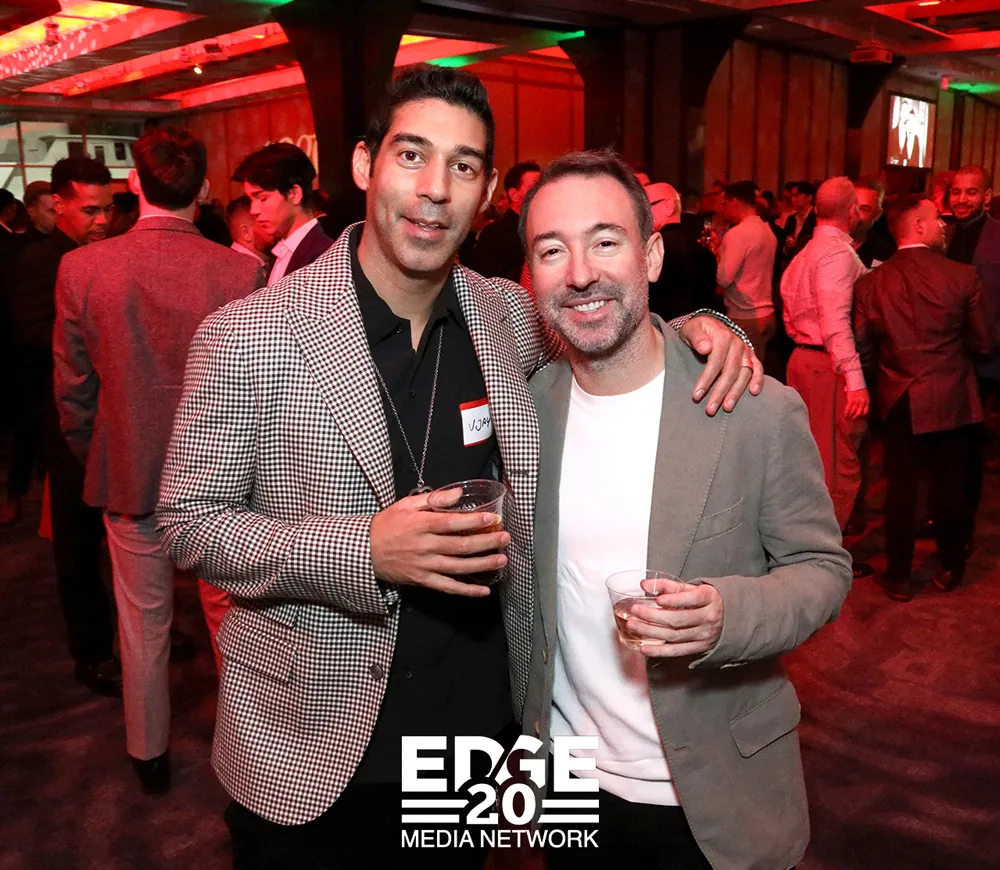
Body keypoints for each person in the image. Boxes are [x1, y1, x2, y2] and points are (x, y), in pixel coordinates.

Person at [155, 65, 761, 870]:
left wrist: (706, 327)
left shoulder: (505, 313)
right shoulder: (250, 334)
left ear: (489, 191)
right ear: (365, 164)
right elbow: (188, 525)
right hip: (315, 746)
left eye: (464, 166)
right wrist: (364, 551)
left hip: (477, 731)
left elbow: (608, 325)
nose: (435, 189)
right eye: (412, 155)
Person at [518, 149, 851, 870]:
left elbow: (822, 570)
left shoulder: (753, 409)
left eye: (606, 241)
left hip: (709, 796)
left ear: (653, 255)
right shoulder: (524, 410)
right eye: (552, 250)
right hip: (565, 782)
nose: (580, 273)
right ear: (531, 274)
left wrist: (728, 615)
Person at [52, 127, 263, 796]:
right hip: (225, 483)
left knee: (141, 623)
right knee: (232, 619)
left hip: (131, 472)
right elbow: (260, 391)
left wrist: (104, 449)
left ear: (133, 184)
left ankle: (149, 754)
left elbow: (72, 391)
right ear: (204, 189)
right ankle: (251, 751)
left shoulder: (83, 268)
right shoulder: (239, 272)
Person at [4, 157, 119, 693]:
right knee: (77, 541)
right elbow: (31, 338)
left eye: (109, 208)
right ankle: (91, 651)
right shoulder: (37, 261)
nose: (103, 220)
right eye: (91, 210)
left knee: (125, 534)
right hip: (61, 420)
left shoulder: (108, 256)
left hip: (113, 415)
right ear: (59, 205)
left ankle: (137, 631)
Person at [854, 195, 994, 602]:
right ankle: (951, 567)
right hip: (952, 394)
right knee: (949, 486)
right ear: (917, 224)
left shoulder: (871, 282)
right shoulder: (962, 275)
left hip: (899, 395)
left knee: (901, 487)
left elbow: (863, 348)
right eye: (935, 218)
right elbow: (984, 342)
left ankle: (899, 576)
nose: (943, 224)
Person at [781, 177, 869, 529]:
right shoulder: (835, 254)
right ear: (853, 212)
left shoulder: (805, 253)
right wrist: (855, 381)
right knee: (834, 463)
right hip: (826, 363)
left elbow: (788, 313)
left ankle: (808, 538)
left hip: (803, 357)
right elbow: (836, 323)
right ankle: (824, 546)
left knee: (809, 457)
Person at [947, 165, 1000, 536]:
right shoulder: (942, 233)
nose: (962, 199)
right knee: (944, 447)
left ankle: (961, 525)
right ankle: (943, 517)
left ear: (986, 195)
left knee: (970, 447)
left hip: (985, 359)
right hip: (943, 357)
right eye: (956, 191)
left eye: (971, 192)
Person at [233, 142, 333, 284]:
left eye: (262, 198)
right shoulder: (280, 253)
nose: (253, 210)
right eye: (251, 200)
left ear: (294, 194)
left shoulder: (322, 258)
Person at [715, 180, 779, 359]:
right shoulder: (767, 230)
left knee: (744, 371)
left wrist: (717, 257)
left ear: (734, 201)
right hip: (767, 313)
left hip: (745, 316)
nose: (723, 209)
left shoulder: (738, 233)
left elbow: (723, 278)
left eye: (725, 204)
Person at [645, 181, 718, 320]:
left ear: (668, 206)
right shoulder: (705, 253)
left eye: (646, 207)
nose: (640, 214)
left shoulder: (651, 251)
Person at [467, 160, 540, 281]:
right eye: (534, 187)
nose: (541, 191)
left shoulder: (543, 228)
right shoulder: (495, 233)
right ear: (513, 194)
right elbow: (483, 281)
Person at [852, 178, 896, 268]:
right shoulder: (825, 241)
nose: (854, 214)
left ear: (877, 215)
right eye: (850, 205)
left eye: (864, 209)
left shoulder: (884, 253)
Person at [226, 194, 274, 267]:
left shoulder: (235, 263)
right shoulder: (241, 269)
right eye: (266, 223)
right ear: (246, 233)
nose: (276, 230)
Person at [779, 180, 816, 269]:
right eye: (792, 196)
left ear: (809, 197)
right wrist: (786, 248)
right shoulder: (791, 219)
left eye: (797, 195)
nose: (793, 199)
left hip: (809, 264)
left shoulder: (816, 218)